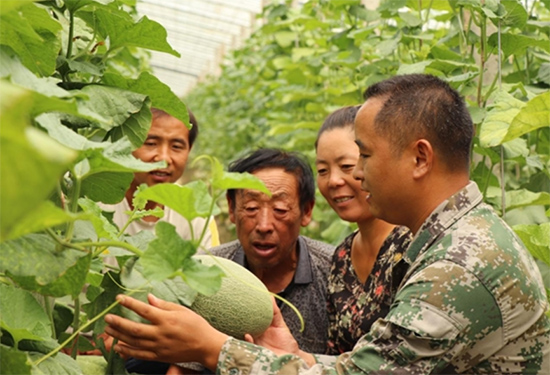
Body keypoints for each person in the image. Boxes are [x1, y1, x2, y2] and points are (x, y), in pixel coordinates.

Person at [104, 74, 550, 374]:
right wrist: (295, 356)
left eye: (365, 157)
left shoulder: (460, 265)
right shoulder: (449, 241)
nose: (356, 176)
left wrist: (212, 348)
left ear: (419, 158)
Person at [315, 106, 412, 354]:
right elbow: (335, 353)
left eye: (346, 166)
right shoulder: (341, 257)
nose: (333, 181)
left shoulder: (412, 246)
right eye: (322, 171)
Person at [100, 108, 219, 254]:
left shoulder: (198, 213)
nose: (164, 158)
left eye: (176, 147)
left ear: (189, 150)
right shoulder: (92, 199)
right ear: (125, 144)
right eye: (151, 143)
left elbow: (208, 270)